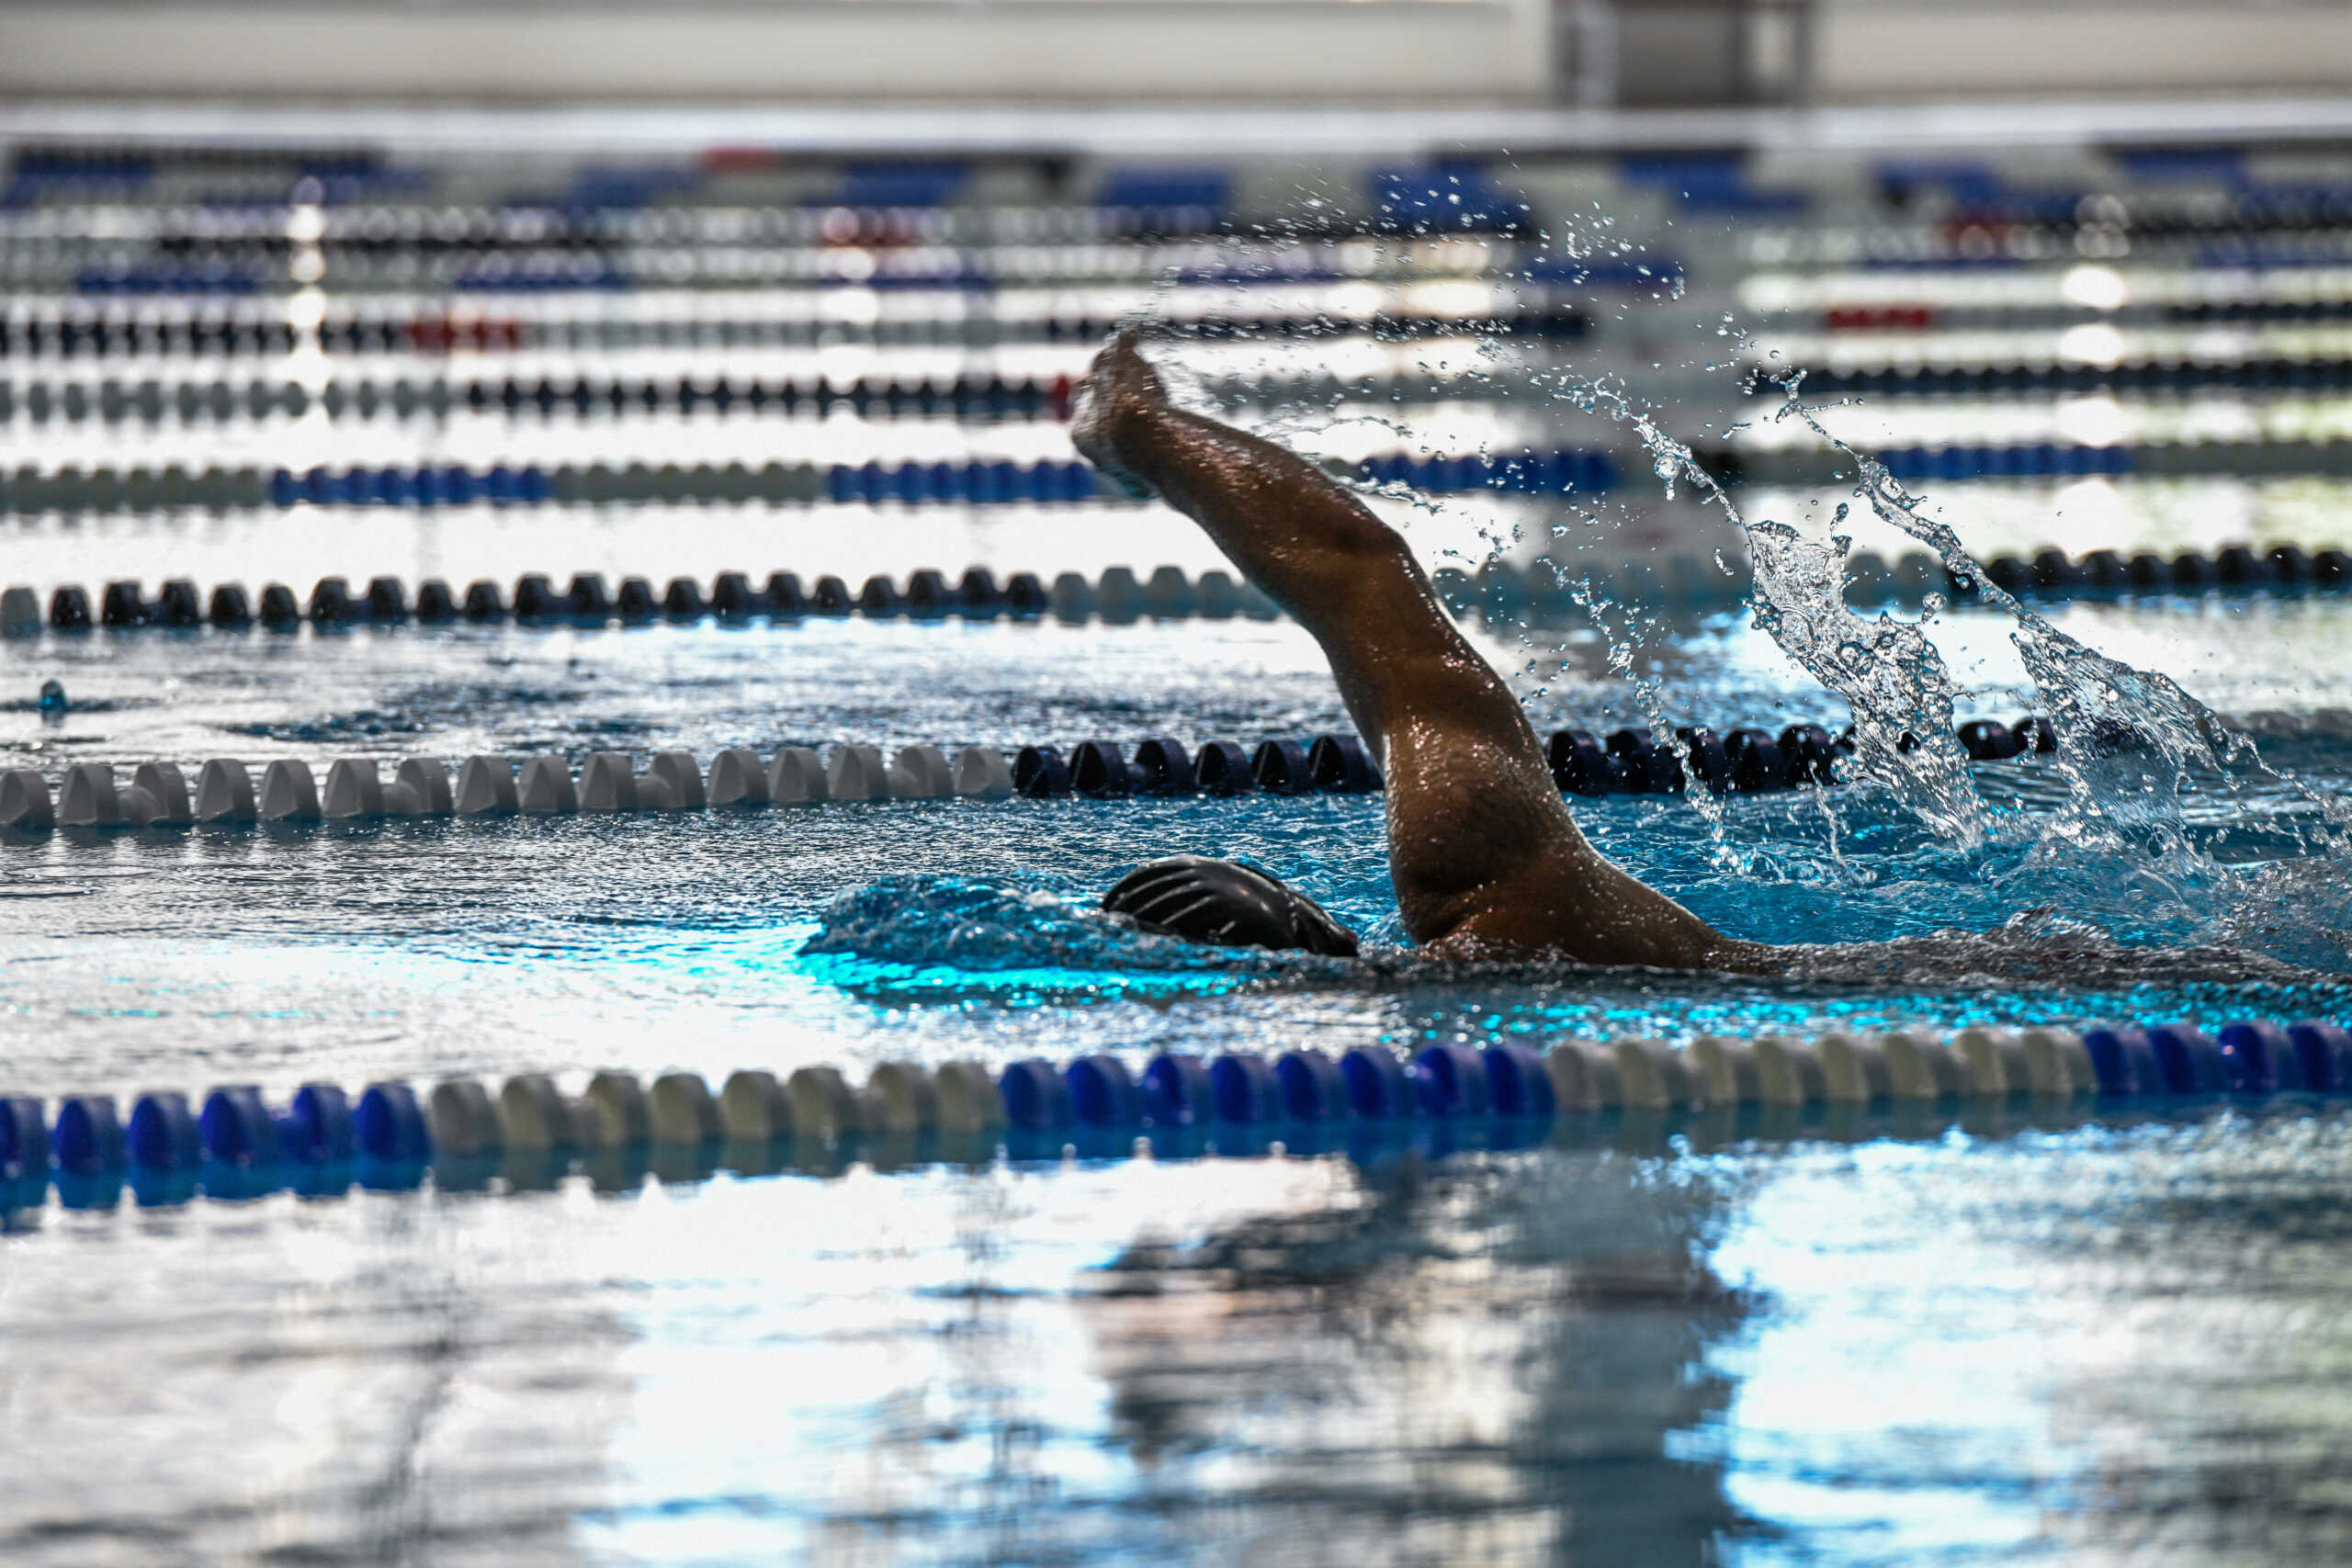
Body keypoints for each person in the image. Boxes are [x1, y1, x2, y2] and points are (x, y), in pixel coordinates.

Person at [1073, 329, 1777, 974]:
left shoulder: (1468, 1001)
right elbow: (1360, 574)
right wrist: (1143, 431)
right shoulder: (1494, 891)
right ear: (1319, 928)